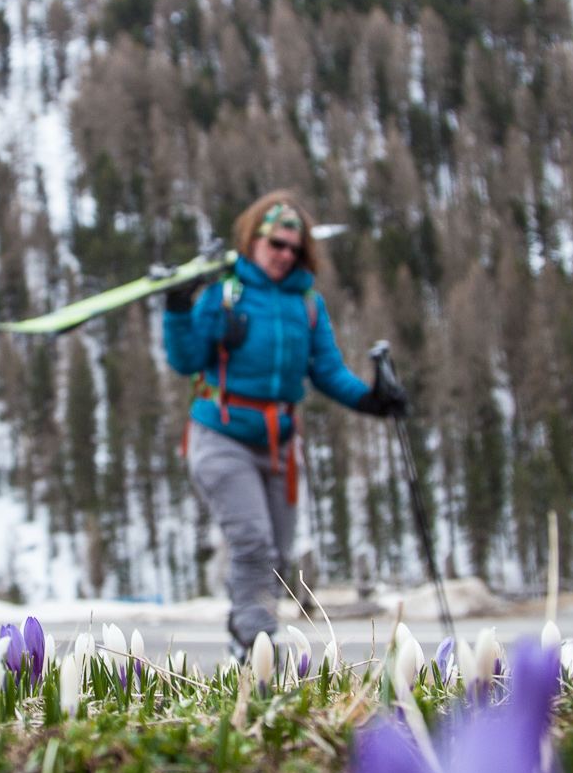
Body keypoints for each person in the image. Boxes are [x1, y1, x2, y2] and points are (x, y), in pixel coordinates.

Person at [163, 191, 407, 655]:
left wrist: (373, 401)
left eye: (294, 248)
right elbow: (186, 358)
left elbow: (328, 371)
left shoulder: (307, 304)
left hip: (280, 444)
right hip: (220, 435)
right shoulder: (224, 291)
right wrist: (178, 309)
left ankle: (251, 633)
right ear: (253, 239)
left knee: (278, 555)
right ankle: (256, 644)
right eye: (276, 243)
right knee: (252, 541)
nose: (284, 255)